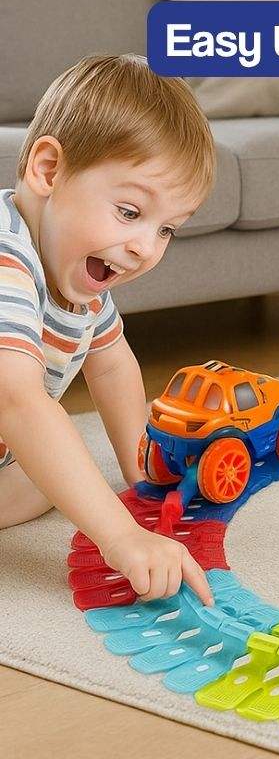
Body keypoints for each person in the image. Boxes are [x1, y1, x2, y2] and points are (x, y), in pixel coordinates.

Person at [0, 54, 216, 603]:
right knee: (51, 454)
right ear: (48, 170)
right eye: (129, 212)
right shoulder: (8, 258)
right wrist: (120, 537)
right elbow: (17, 400)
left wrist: (140, 469)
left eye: (166, 228)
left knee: (50, 481)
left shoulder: (79, 273)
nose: (146, 246)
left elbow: (112, 363)